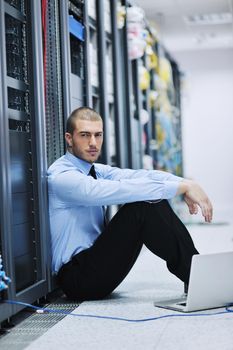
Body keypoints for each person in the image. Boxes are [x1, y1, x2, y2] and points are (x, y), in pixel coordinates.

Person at [47, 106, 213, 301]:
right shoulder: (62, 176)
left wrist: (185, 183)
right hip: (77, 278)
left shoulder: (96, 170)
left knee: (149, 199)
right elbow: (118, 191)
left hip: (95, 264)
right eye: (84, 135)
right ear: (69, 138)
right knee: (141, 207)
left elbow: (140, 175)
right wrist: (181, 188)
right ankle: (202, 279)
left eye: (98, 135)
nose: (93, 143)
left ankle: (199, 276)